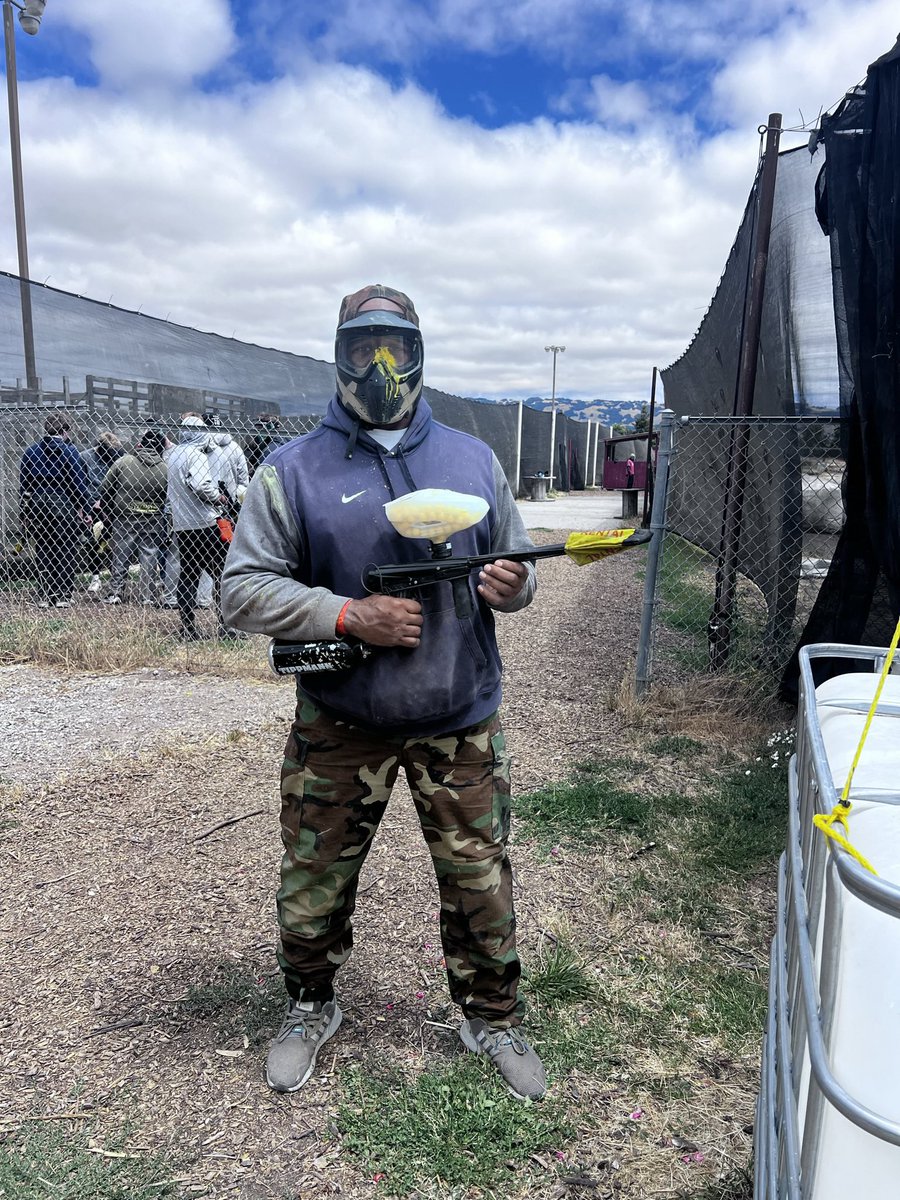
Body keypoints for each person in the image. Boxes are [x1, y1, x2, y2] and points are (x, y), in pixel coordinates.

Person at [221, 284, 547, 1101]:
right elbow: (241, 591)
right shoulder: (292, 470)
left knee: (480, 881)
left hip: (459, 715)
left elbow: (515, 570)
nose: (380, 367)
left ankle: (493, 1016)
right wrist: (345, 615)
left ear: (419, 350)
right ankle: (308, 1005)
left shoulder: (472, 460)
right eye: (363, 348)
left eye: (395, 347)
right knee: (313, 878)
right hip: (343, 720)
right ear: (338, 353)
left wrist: (510, 588)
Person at [164, 413, 239, 642]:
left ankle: (187, 628)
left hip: (183, 525)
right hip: (205, 523)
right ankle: (226, 627)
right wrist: (219, 498)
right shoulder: (196, 455)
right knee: (222, 573)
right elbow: (200, 484)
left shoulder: (174, 454)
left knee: (188, 575)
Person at [19, 413, 91, 608]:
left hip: (37, 503)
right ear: (65, 431)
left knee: (43, 546)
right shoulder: (70, 452)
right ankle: (63, 594)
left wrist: (24, 512)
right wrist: (84, 508)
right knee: (65, 548)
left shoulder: (31, 452)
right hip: (62, 503)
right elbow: (78, 484)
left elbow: (24, 485)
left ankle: (45, 594)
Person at [97, 429, 171, 605]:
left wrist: (109, 509)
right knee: (149, 556)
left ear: (140, 444)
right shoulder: (165, 468)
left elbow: (105, 487)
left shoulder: (124, 461)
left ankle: (115, 592)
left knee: (121, 554)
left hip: (124, 516)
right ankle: (147, 596)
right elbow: (168, 495)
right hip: (153, 517)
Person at [81, 431, 125, 594]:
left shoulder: (120, 456)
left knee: (117, 543)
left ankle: (118, 578)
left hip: (114, 506)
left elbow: (122, 481)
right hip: (92, 506)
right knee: (93, 542)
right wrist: (90, 504)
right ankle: (95, 577)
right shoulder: (85, 457)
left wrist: (109, 502)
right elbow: (81, 482)